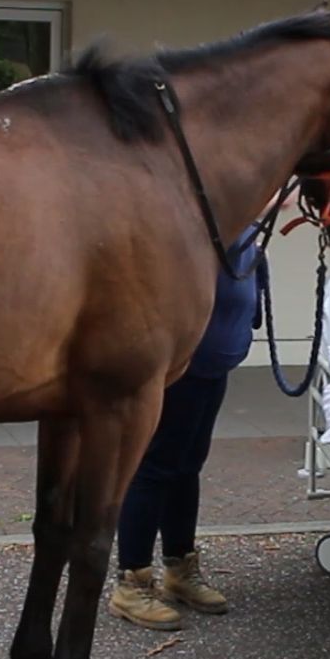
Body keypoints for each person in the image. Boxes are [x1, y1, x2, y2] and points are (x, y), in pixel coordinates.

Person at [108, 223, 268, 631]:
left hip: (213, 366)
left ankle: (179, 567)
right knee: (156, 466)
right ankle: (133, 582)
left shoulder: (246, 223)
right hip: (181, 366)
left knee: (187, 466)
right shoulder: (212, 220)